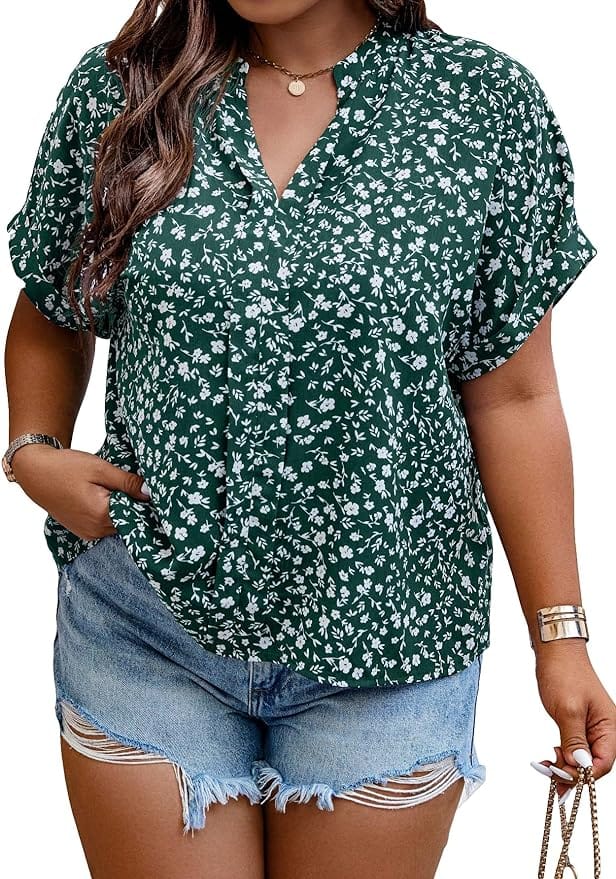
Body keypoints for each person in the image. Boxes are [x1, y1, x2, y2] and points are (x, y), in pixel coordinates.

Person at [4, 1, 615, 877]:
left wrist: (560, 638)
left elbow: (514, 395)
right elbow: (51, 311)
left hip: (392, 638)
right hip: (147, 624)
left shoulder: (483, 104)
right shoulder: (123, 91)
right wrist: (32, 450)